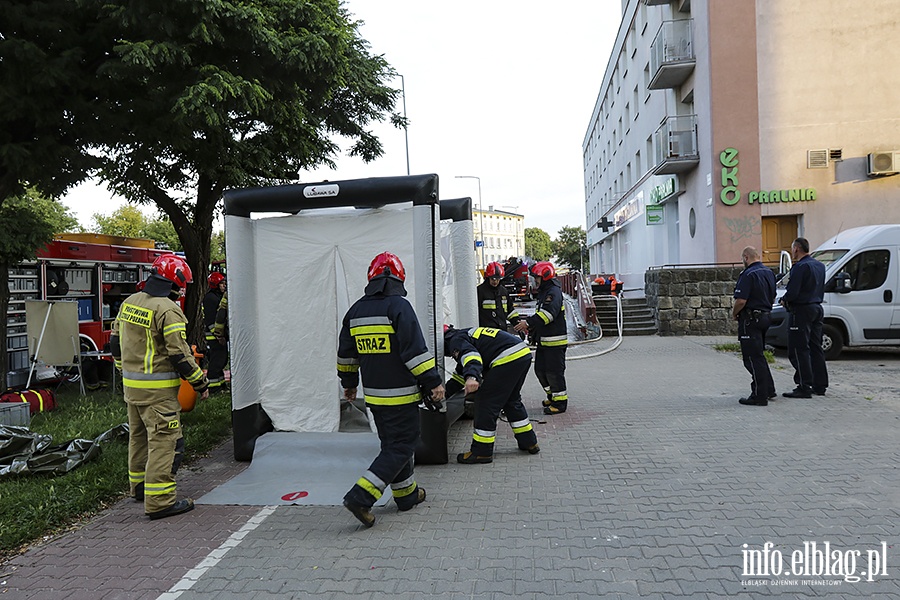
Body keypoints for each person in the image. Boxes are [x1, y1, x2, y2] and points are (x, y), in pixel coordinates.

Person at [337, 252, 445, 528]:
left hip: (375, 397)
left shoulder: (355, 311)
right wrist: (433, 383)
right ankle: (361, 496)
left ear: (371, 278)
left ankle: (407, 496)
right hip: (401, 395)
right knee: (402, 445)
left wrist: (349, 385)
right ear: (399, 278)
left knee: (393, 445)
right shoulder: (400, 307)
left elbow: (346, 355)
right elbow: (415, 354)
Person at [110, 254, 209, 520]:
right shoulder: (167, 309)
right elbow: (179, 354)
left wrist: (122, 370)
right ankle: (160, 501)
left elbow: (114, 343)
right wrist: (201, 383)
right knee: (166, 442)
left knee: (139, 438)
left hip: (132, 390)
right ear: (175, 283)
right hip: (159, 395)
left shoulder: (129, 303)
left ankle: (140, 488)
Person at [444, 325, 539, 464]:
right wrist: (443, 394)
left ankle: (481, 452)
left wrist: (472, 377)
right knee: (511, 401)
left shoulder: (455, 340)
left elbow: (471, 357)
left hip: (507, 358)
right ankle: (529, 442)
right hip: (521, 354)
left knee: (485, 403)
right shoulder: (465, 335)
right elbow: (459, 377)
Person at [514, 261, 568, 415]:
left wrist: (528, 323)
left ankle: (560, 403)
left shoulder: (553, 292)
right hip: (545, 341)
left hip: (555, 341)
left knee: (554, 372)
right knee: (540, 371)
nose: (534, 280)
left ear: (545, 276)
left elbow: (547, 315)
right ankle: (552, 396)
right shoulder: (546, 291)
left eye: (536, 277)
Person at [780, 237, 828, 398]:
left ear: (796, 249)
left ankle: (804, 385)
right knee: (816, 347)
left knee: (798, 348)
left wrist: (784, 299)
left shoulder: (799, 267)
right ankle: (820, 384)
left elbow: (793, 292)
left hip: (801, 311)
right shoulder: (820, 266)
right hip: (817, 308)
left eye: (793, 249)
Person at [732, 247, 776, 406]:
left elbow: (741, 300)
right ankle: (768, 389)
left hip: (751, 319)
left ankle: (759, 395)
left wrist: (734, 313)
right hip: (765, 316)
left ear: (746, 257)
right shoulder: (769, 272)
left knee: (751, 358)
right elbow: (773, 296)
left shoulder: (748, 274)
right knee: (759, 355)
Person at [202, 272, 228, 392]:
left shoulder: (217, 297)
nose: (224, 286)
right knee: (216, 361)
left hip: (218, 335)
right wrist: (218, 335)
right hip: (214, 336)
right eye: (222, 283)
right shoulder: (211, 298)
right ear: (215, 284)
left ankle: (221, 384)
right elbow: (211, 319)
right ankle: (212, 388)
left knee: (221, 360)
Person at [477, 261, 520, 330]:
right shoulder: (480, 291)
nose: (495, 282)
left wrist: (517, 324)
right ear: (488, 277)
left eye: (498, 279)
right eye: (493, 279)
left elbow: (510, 311)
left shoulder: (504, 291)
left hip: (501, 332)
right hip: (486, 333)